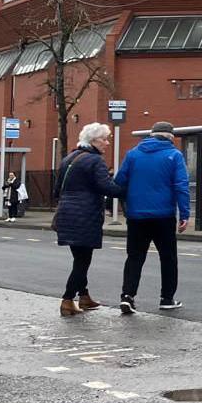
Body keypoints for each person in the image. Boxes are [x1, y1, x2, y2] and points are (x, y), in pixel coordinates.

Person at [116, 121, 190, 313]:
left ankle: (127, 296)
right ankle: (166, 298)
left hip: (136, 216)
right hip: (163, 215)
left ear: (151, 135)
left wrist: (127, 202)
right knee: (168, 258)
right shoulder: (174, 155)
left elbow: (119, 182)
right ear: (170, 137)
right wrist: (185, 214)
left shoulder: (132, 154)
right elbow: (181, 186)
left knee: (134, 257)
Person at [53, 123, 123, 317]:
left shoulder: (68, 159)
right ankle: (67, 300)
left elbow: (56, 190)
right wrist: (125, 188)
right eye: (104, 139)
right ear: (93, 141)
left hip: (67, 214)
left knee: (79, 257)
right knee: (83, 261)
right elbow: (107, 188)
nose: (107, 143)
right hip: (86, 215)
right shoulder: (95, 161)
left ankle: (84, 296)